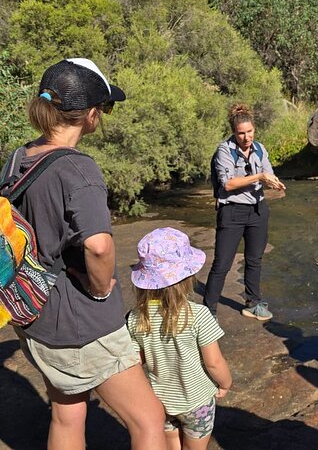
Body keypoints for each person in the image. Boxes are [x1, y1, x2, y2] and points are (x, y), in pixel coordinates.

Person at [5, 58, 165, 448]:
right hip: (79, 325)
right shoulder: (78, 170)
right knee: (149, 420)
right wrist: (100, 288)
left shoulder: (18, 157)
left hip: (29, 311)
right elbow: (98, 244)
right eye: (106, 107)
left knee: (67, 413)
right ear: (91, 113)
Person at [127, 227, 232, 450]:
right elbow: (214, 362)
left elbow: (136, 361)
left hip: (160, 399)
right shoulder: (199, 315)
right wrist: (225, 383)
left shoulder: (136, 318)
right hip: (197, 401)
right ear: (187, 277)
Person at [204, 103, 285, 321]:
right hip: (232, 211)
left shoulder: (260, 148)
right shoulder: (224, 151)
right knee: (222, 263)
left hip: (258, 210)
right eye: (241, 133)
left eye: (250, 132)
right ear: (234, 132)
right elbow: (228, 184)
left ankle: (253, 302)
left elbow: (268, 173)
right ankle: (208, 310)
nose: (246, 137)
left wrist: (274, 183)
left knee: (255, 259)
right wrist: (259, 178)